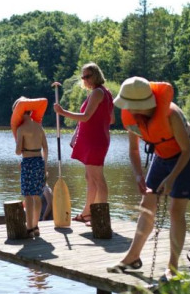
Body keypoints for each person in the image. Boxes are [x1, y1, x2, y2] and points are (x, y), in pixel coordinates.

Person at [107, 77, 190, 281]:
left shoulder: (171, 115)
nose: (127, 109)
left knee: (176, 210)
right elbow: (133, 150)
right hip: (162, 155)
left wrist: (171, 178)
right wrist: (139, 175)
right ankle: (132, 258)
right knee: (147, 203)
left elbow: (186, 151)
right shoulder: (132, 118)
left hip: (186, 155)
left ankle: (172, 268)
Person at [53, 62, 114, 225]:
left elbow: (86, 116)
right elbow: (110, 118)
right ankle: (88, 213)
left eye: (87, 76)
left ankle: (100, 216)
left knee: (98, 178)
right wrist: (76, 134)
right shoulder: (104, 93)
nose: (84, 79)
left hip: (96, 140)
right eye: (83, 76)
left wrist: (63, 112)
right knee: (90, 177)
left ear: (95, 75)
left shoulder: (98, 93)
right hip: (95, 139)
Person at [13, 97, 49, 237]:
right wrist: (45, 166)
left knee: (28, 196)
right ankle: (36, 226)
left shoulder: (22, 129)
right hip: (39, 161)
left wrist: (20, 146)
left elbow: (17, 151)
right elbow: (45, 148)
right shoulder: (39, 127)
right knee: (37, 196)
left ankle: (29, 228)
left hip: (28, 163)